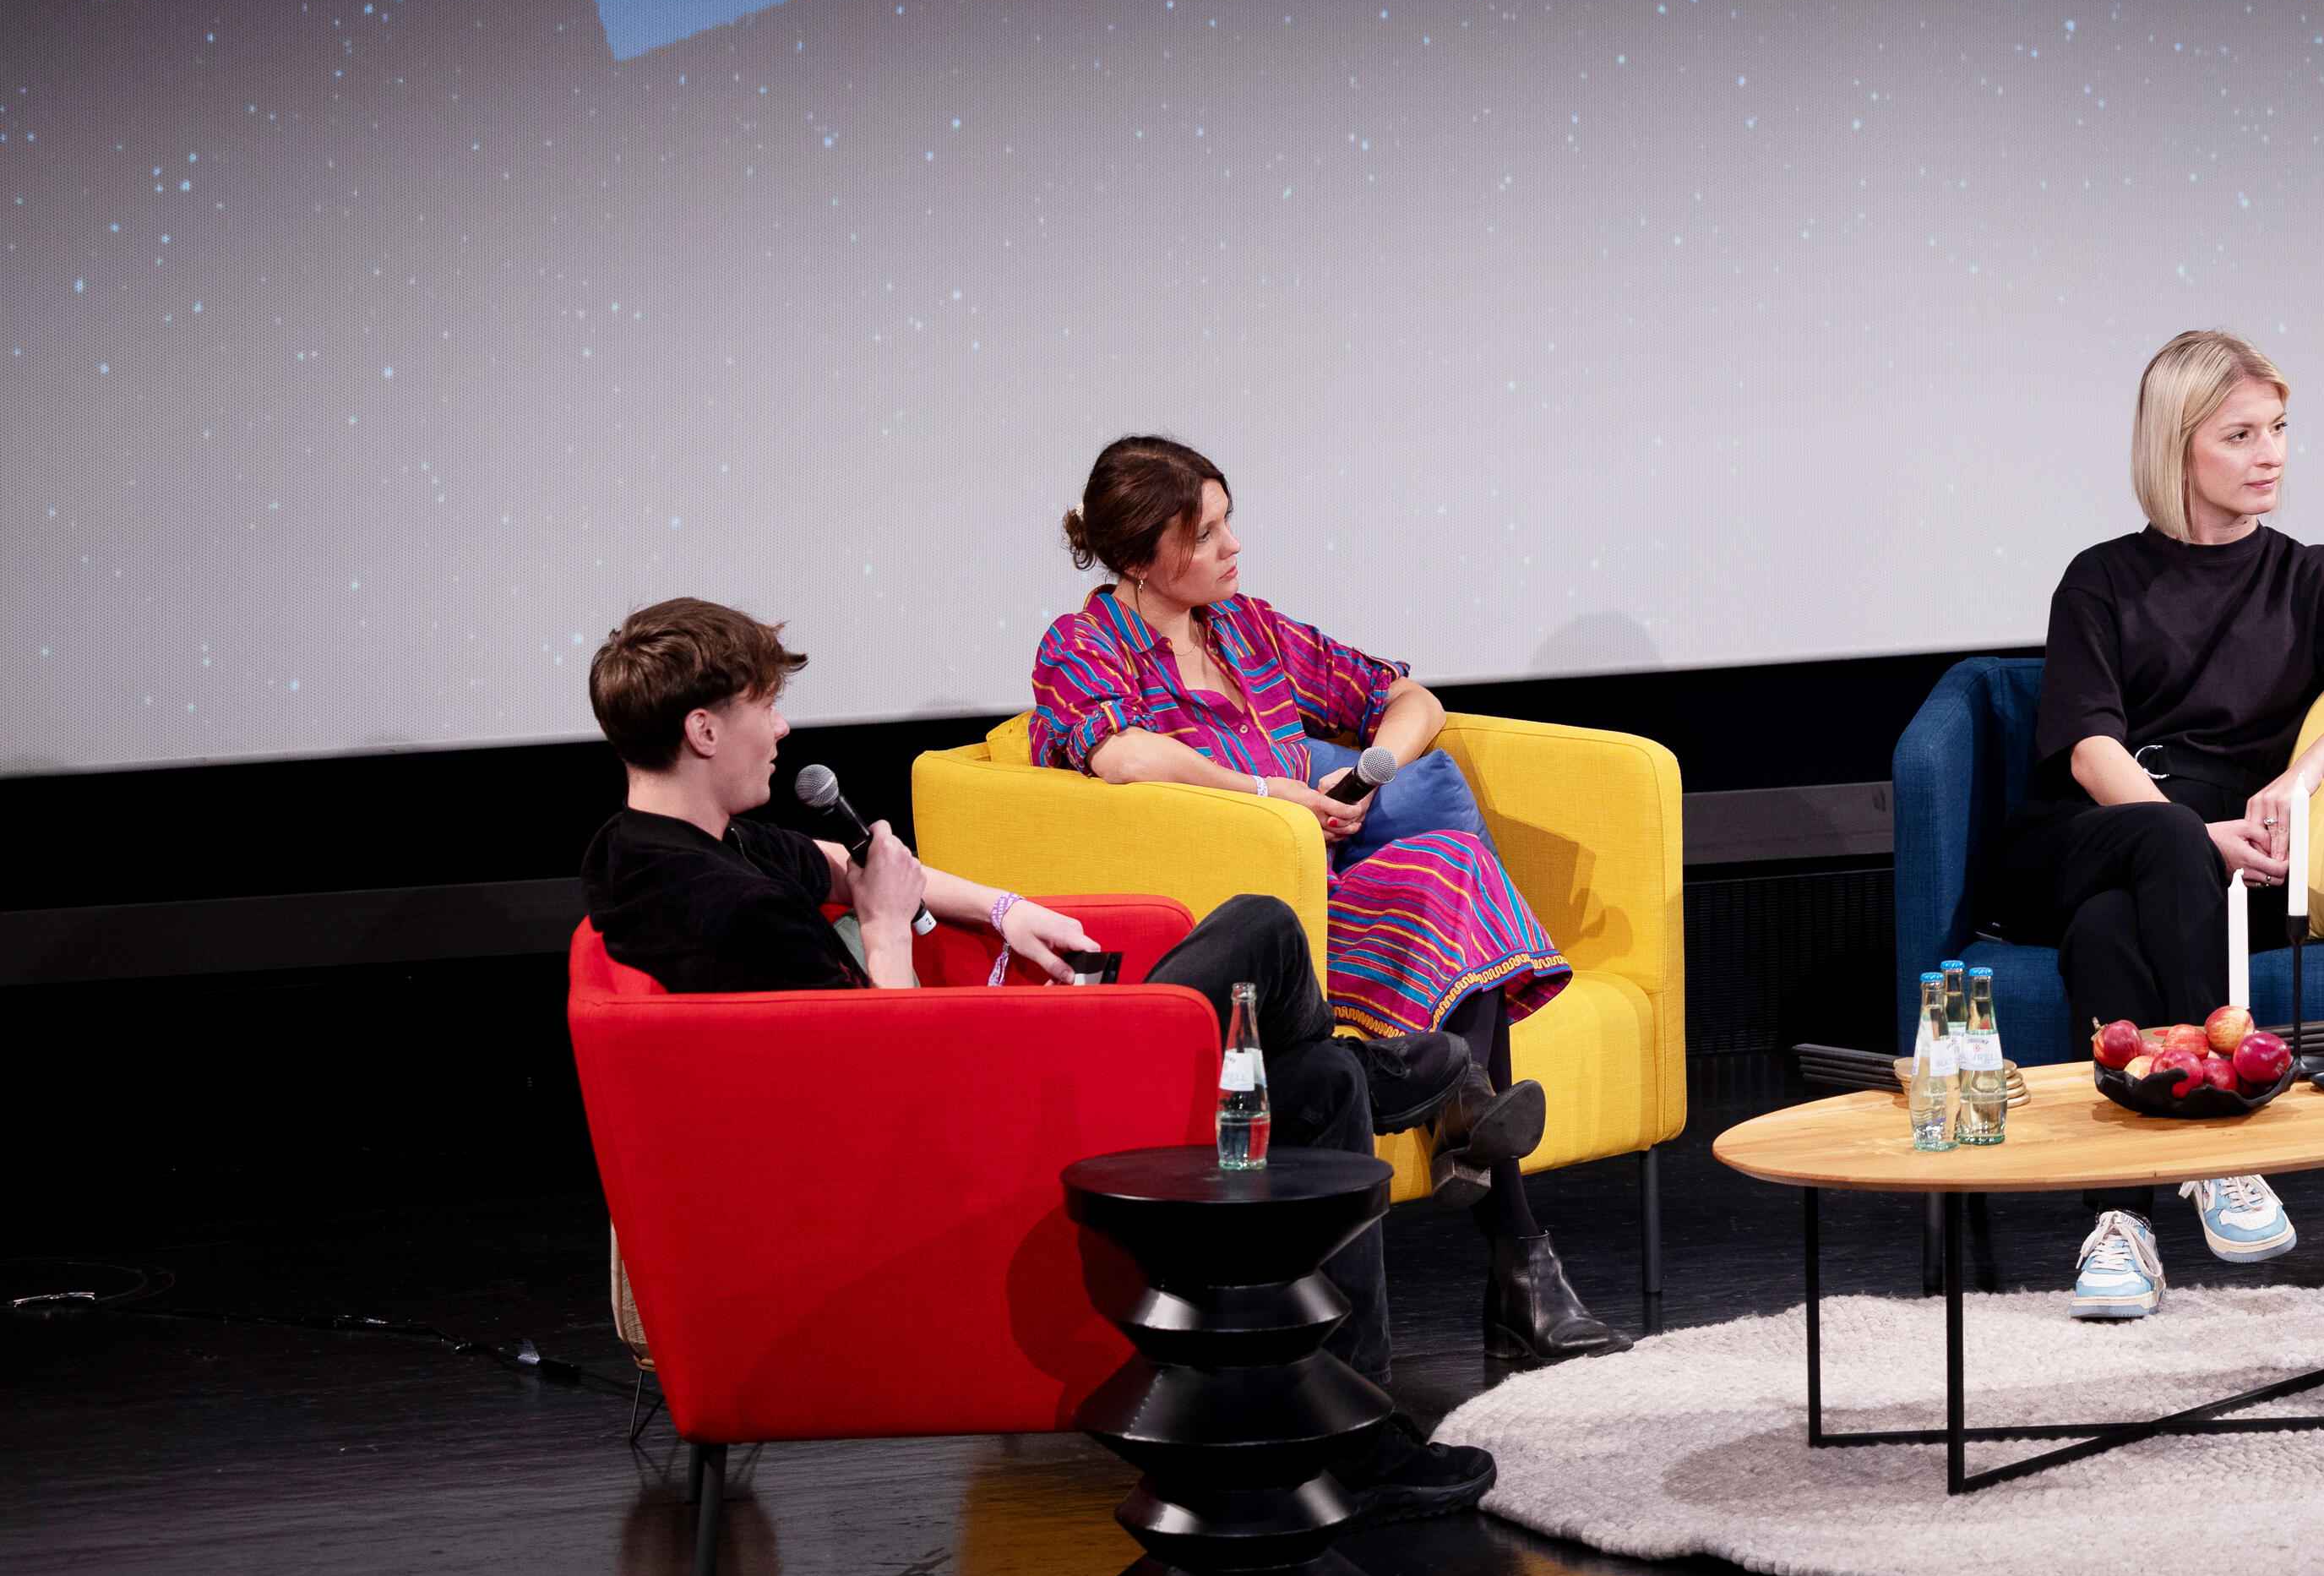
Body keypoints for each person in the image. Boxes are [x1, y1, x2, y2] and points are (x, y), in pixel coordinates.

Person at [578, 596, 1535, 1519]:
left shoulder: (655, 849)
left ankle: (1354, 1442)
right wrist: (883, 937)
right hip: (977, 1145)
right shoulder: (722, 911)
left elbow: (850, 867)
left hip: (977, 1091)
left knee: (1315, 1086)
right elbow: (879, 1076)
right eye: (763, 707)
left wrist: (1007, 911)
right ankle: (1383, 1082)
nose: (782, 729)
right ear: (705, 731)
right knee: (1263, 930)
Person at [1028, 434, 1618, 1361]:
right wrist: (1273, 794)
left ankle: (1462, 1113)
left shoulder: (1250, 627)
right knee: (1443, 880)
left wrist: (1373, 771)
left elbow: (1408, 696)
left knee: (1450, 859)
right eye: (1207, 531)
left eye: (1229, 521)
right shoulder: (1086, 646)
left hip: (1328, 883)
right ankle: (1515, 1253)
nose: (1232, 546)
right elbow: (1122, 755)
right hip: (1242, 933)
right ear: (1143, 558)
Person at [2003, 330, 2324, 1319]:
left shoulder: (2308, 578)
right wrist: (2192, 833)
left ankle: (2118, 1225)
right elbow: (2087, 751)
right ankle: (2225, 1144)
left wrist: (2302, 777)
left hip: (2181, 880)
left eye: (2279, 428)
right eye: (2239, 434)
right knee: (2155, 847)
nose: (2271, 454)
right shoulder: (2101, 578)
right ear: (2176, 448)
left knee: (2109, 934)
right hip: (2077, 839)